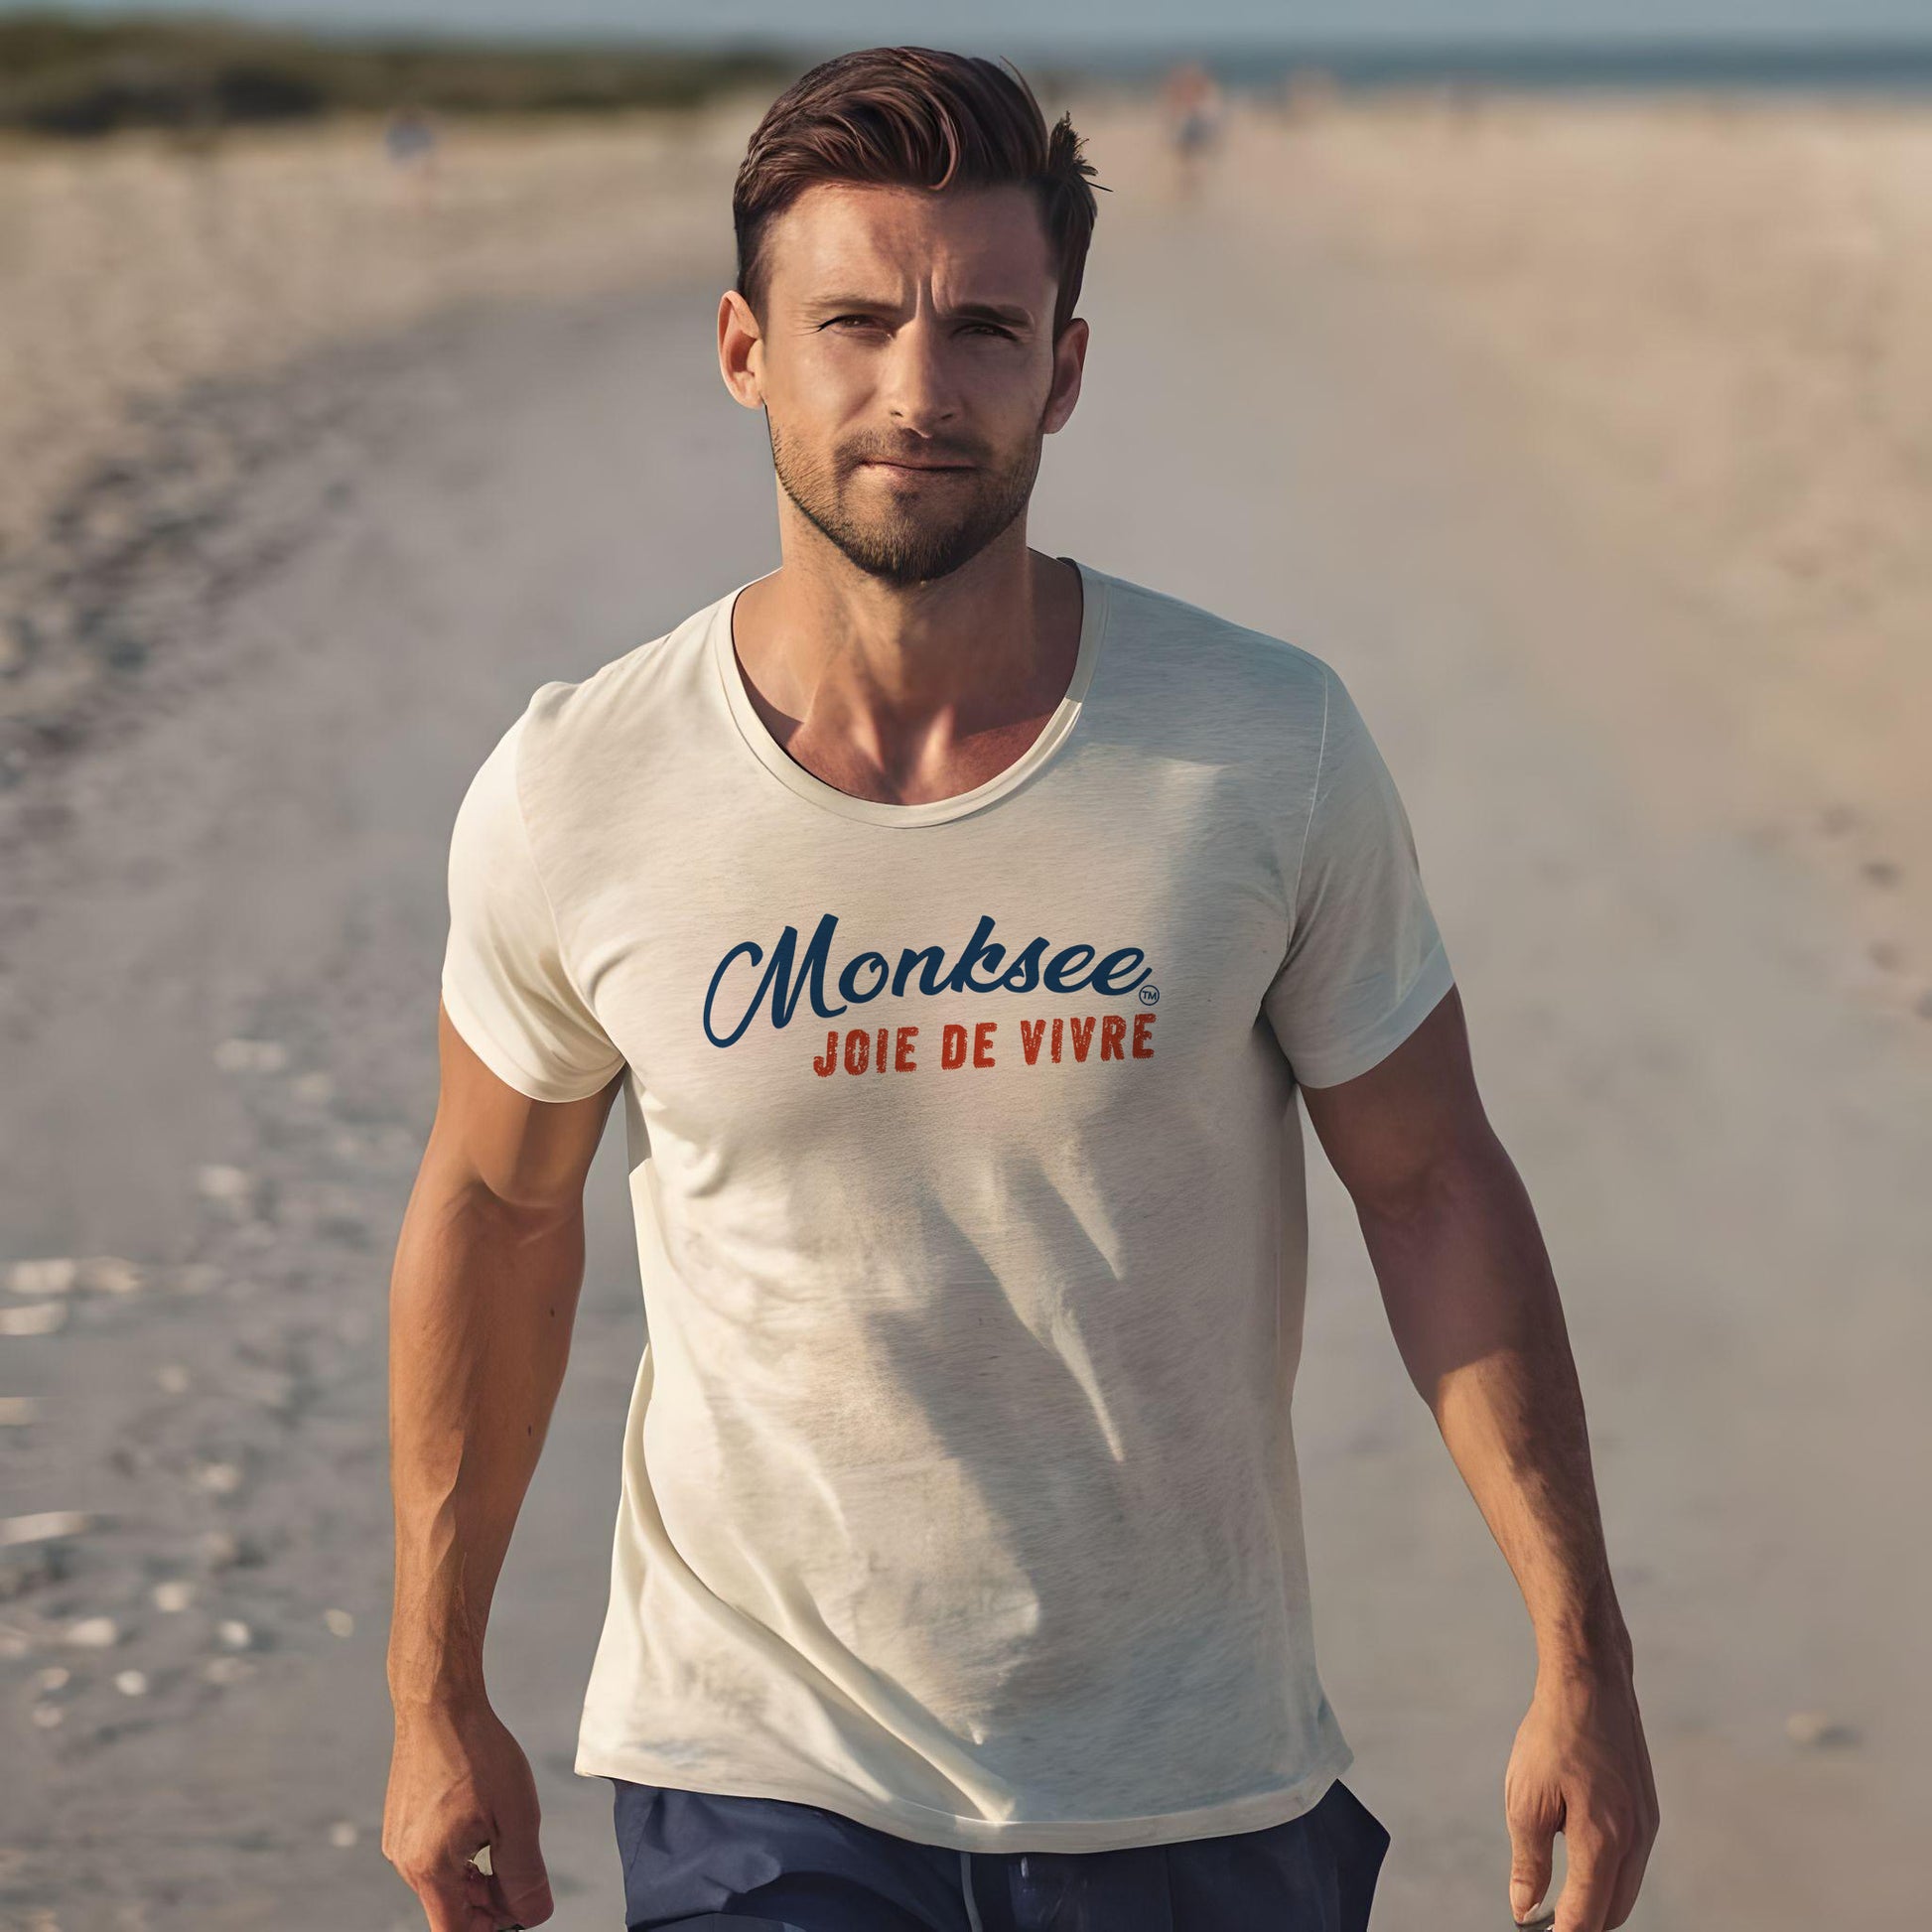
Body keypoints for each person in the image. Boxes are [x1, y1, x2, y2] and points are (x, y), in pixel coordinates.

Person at [381, 44, 1659, 1932]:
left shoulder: (1258, 745)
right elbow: (496, 1207)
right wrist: (431, 1691)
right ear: (745, 350)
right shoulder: (582, 783)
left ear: (1062, 366)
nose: (917, 388)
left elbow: (1430, 1181)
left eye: (983, 327)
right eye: (852, 324)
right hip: (761, 1779)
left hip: (1191, 1777)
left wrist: (1584, 1654)